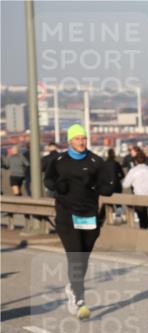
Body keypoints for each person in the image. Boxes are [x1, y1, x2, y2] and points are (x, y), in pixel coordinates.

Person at [43, 124, 118, 319]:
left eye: (84, 138)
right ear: (70, 141)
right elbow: (48, 180)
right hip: (66, 215)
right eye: (77, 138)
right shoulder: (58, 161)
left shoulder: (96, 161)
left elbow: (108, 184)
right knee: (75, 255)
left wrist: (99, 187)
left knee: (83, 257)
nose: (82, 141)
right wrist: (57, 186)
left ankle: (72, 287)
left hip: (89, 215)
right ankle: (79, 298)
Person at [121, 151, 148, 229]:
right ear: (145, 160)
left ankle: (143, 234)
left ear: (136, 161)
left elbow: (125, 185)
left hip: (139, 199)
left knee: (143, 221)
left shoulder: (133, 171)